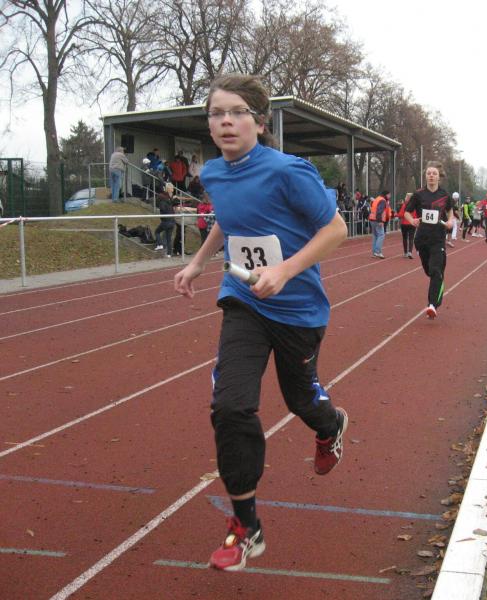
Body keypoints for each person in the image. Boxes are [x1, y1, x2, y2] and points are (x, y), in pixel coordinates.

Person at [173, 73, 348, 572]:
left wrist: (285, 270)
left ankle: (331, 424)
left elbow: (335, 229)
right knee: (230, 406)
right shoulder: (214, 173)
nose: (226, 122)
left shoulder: (289, 172)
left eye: (237, 113)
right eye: (216, 113)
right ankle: (246, 526)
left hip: (298, 309)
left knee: (300, 400)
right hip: (244, 300)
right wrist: (199, 262)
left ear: (259, 122)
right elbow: (229, 219)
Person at [404, 160, 454, 319]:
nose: (431, 176)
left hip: (438, 238)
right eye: (429, 173)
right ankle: (436, 285)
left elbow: (450, 211)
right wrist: (412, 220)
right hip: (422, 239)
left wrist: (450, 221)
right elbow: (406, 212)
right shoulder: (418, 194)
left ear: (439, 177)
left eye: (434, 173)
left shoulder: (445, 195)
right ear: (425, 176)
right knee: (429, 271)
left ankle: (432, 305)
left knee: (436, 271)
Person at [368, 190, 390, 258]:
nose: (390, 196)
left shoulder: (377, 199)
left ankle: (374, 252)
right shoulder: (382, 201)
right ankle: (378, 251)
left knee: (375, 236)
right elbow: (379, 211)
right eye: (389, 195)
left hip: (372, 219)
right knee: (381, 235)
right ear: (386, 195)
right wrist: (380, 221)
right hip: (377, 220)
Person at [154, 191, 175, 256]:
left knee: (157, 232)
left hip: (166, 222)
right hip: (172, 222)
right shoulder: (169, 202)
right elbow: (173, 212)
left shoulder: (162, 203)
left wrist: (162, 215)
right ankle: (169, 254)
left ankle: (160, 244)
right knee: (169, 239)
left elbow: (163, 210)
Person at [397, 192, 416, 258]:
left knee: (405, 238)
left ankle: (405, 253)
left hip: (404, 224)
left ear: (407, 198)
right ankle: (410, 252)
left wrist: (396, 215)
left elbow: (401, 214)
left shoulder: (404, 205)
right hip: (412, 223)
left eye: (406, 197)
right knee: (411, 238)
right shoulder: (415, 205)